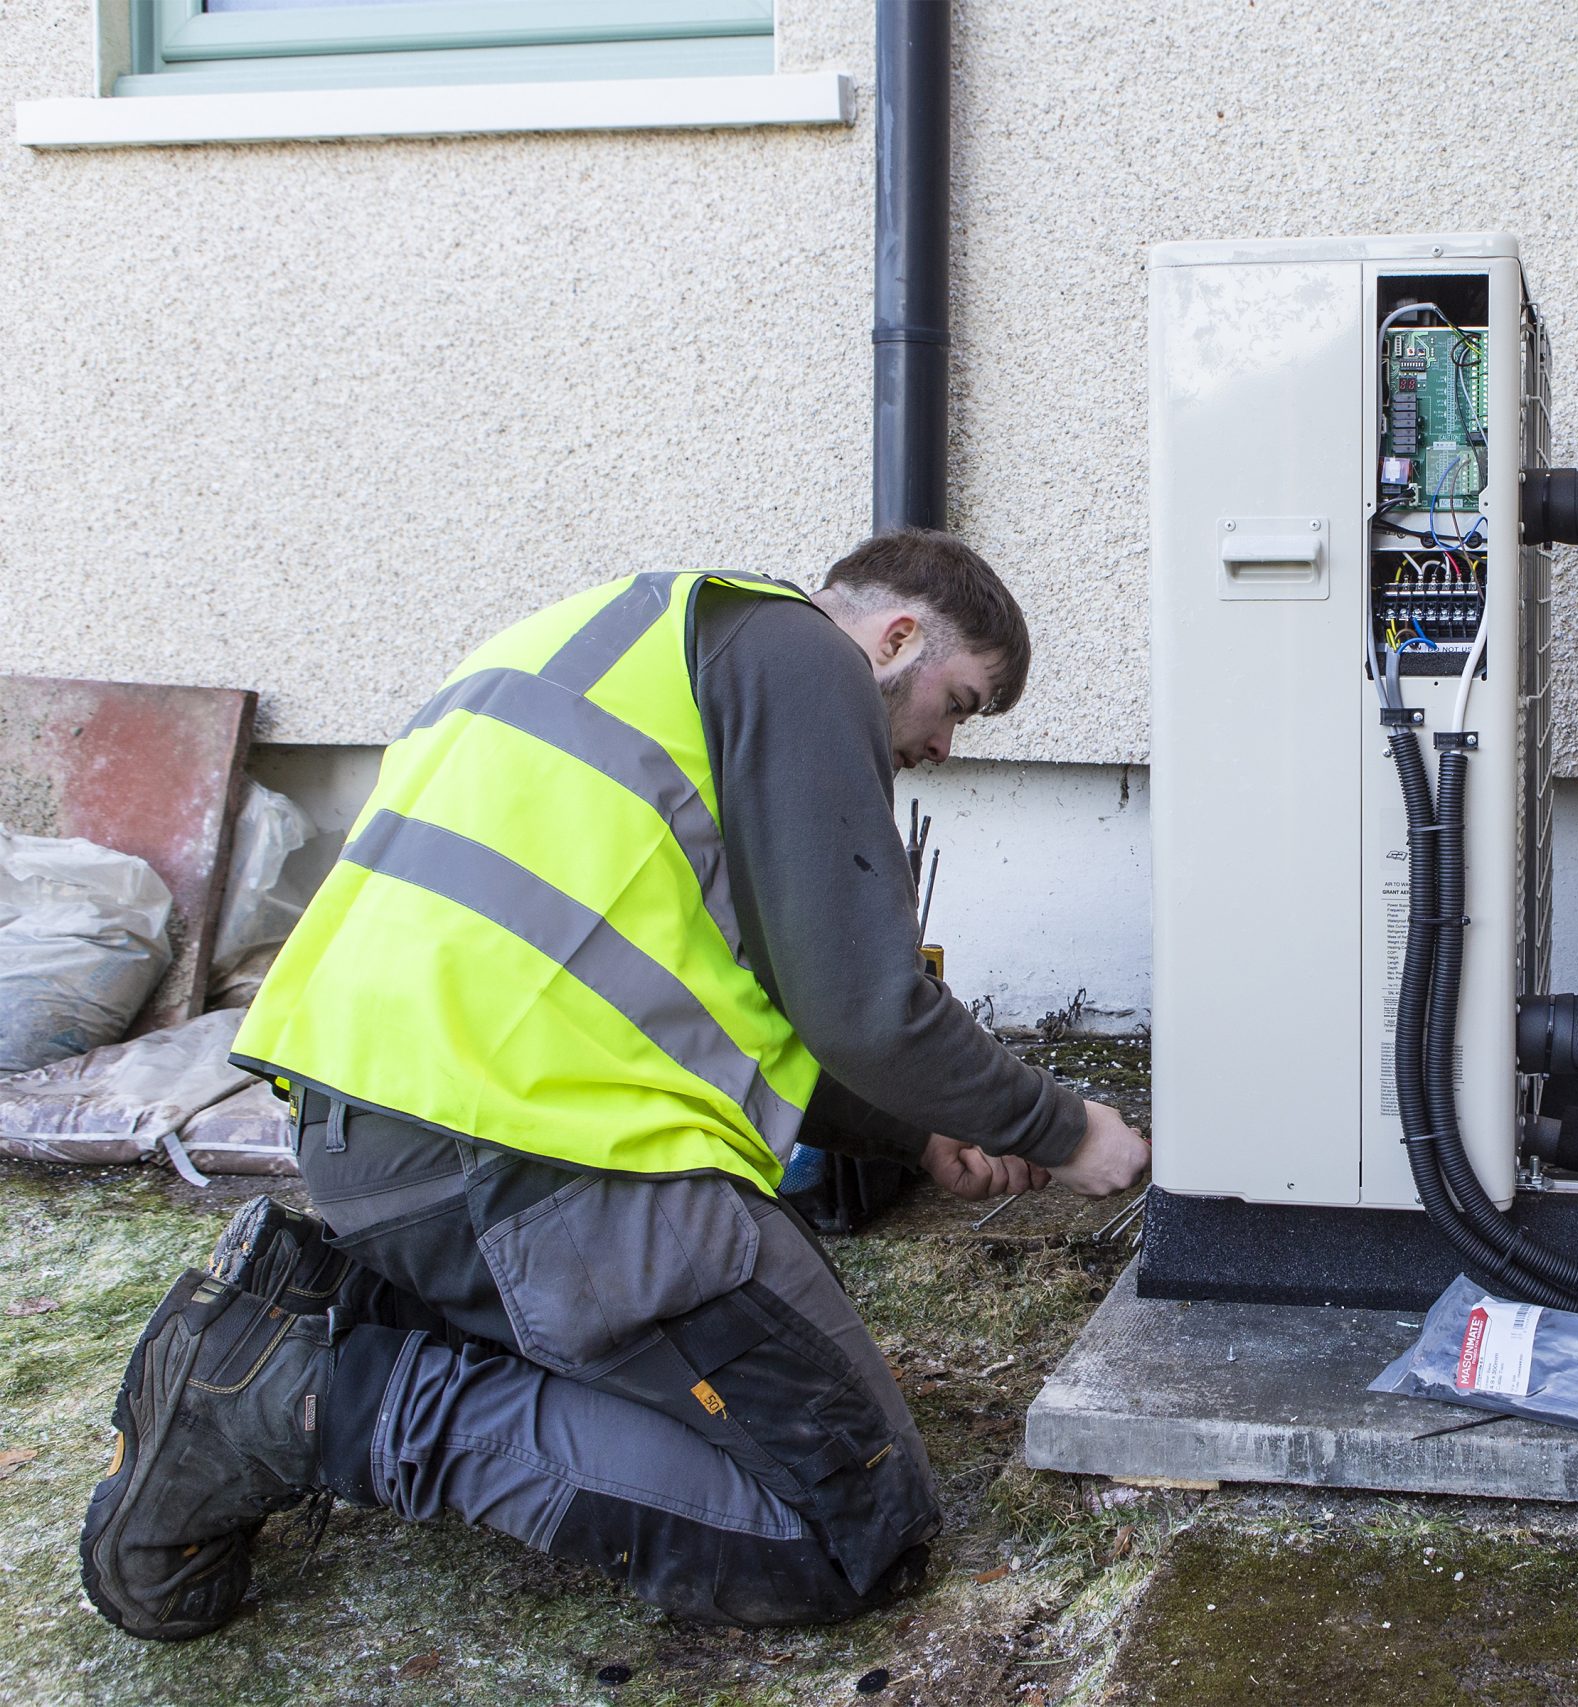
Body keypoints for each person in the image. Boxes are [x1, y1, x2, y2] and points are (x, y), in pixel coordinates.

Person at [79, 533, 1151, 1640]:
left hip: (378, 1133)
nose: (939, 745)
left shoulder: (636, 647)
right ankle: (309, 1402)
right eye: (957, 703)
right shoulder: (803, 658)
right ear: (895, 637)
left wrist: (920, 1137)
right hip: (528, 1155)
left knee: (756, 1402)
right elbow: (864, 1005)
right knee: (839, 1530)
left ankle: (324, 1314)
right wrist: (1067, 1131)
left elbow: (747, 1006)